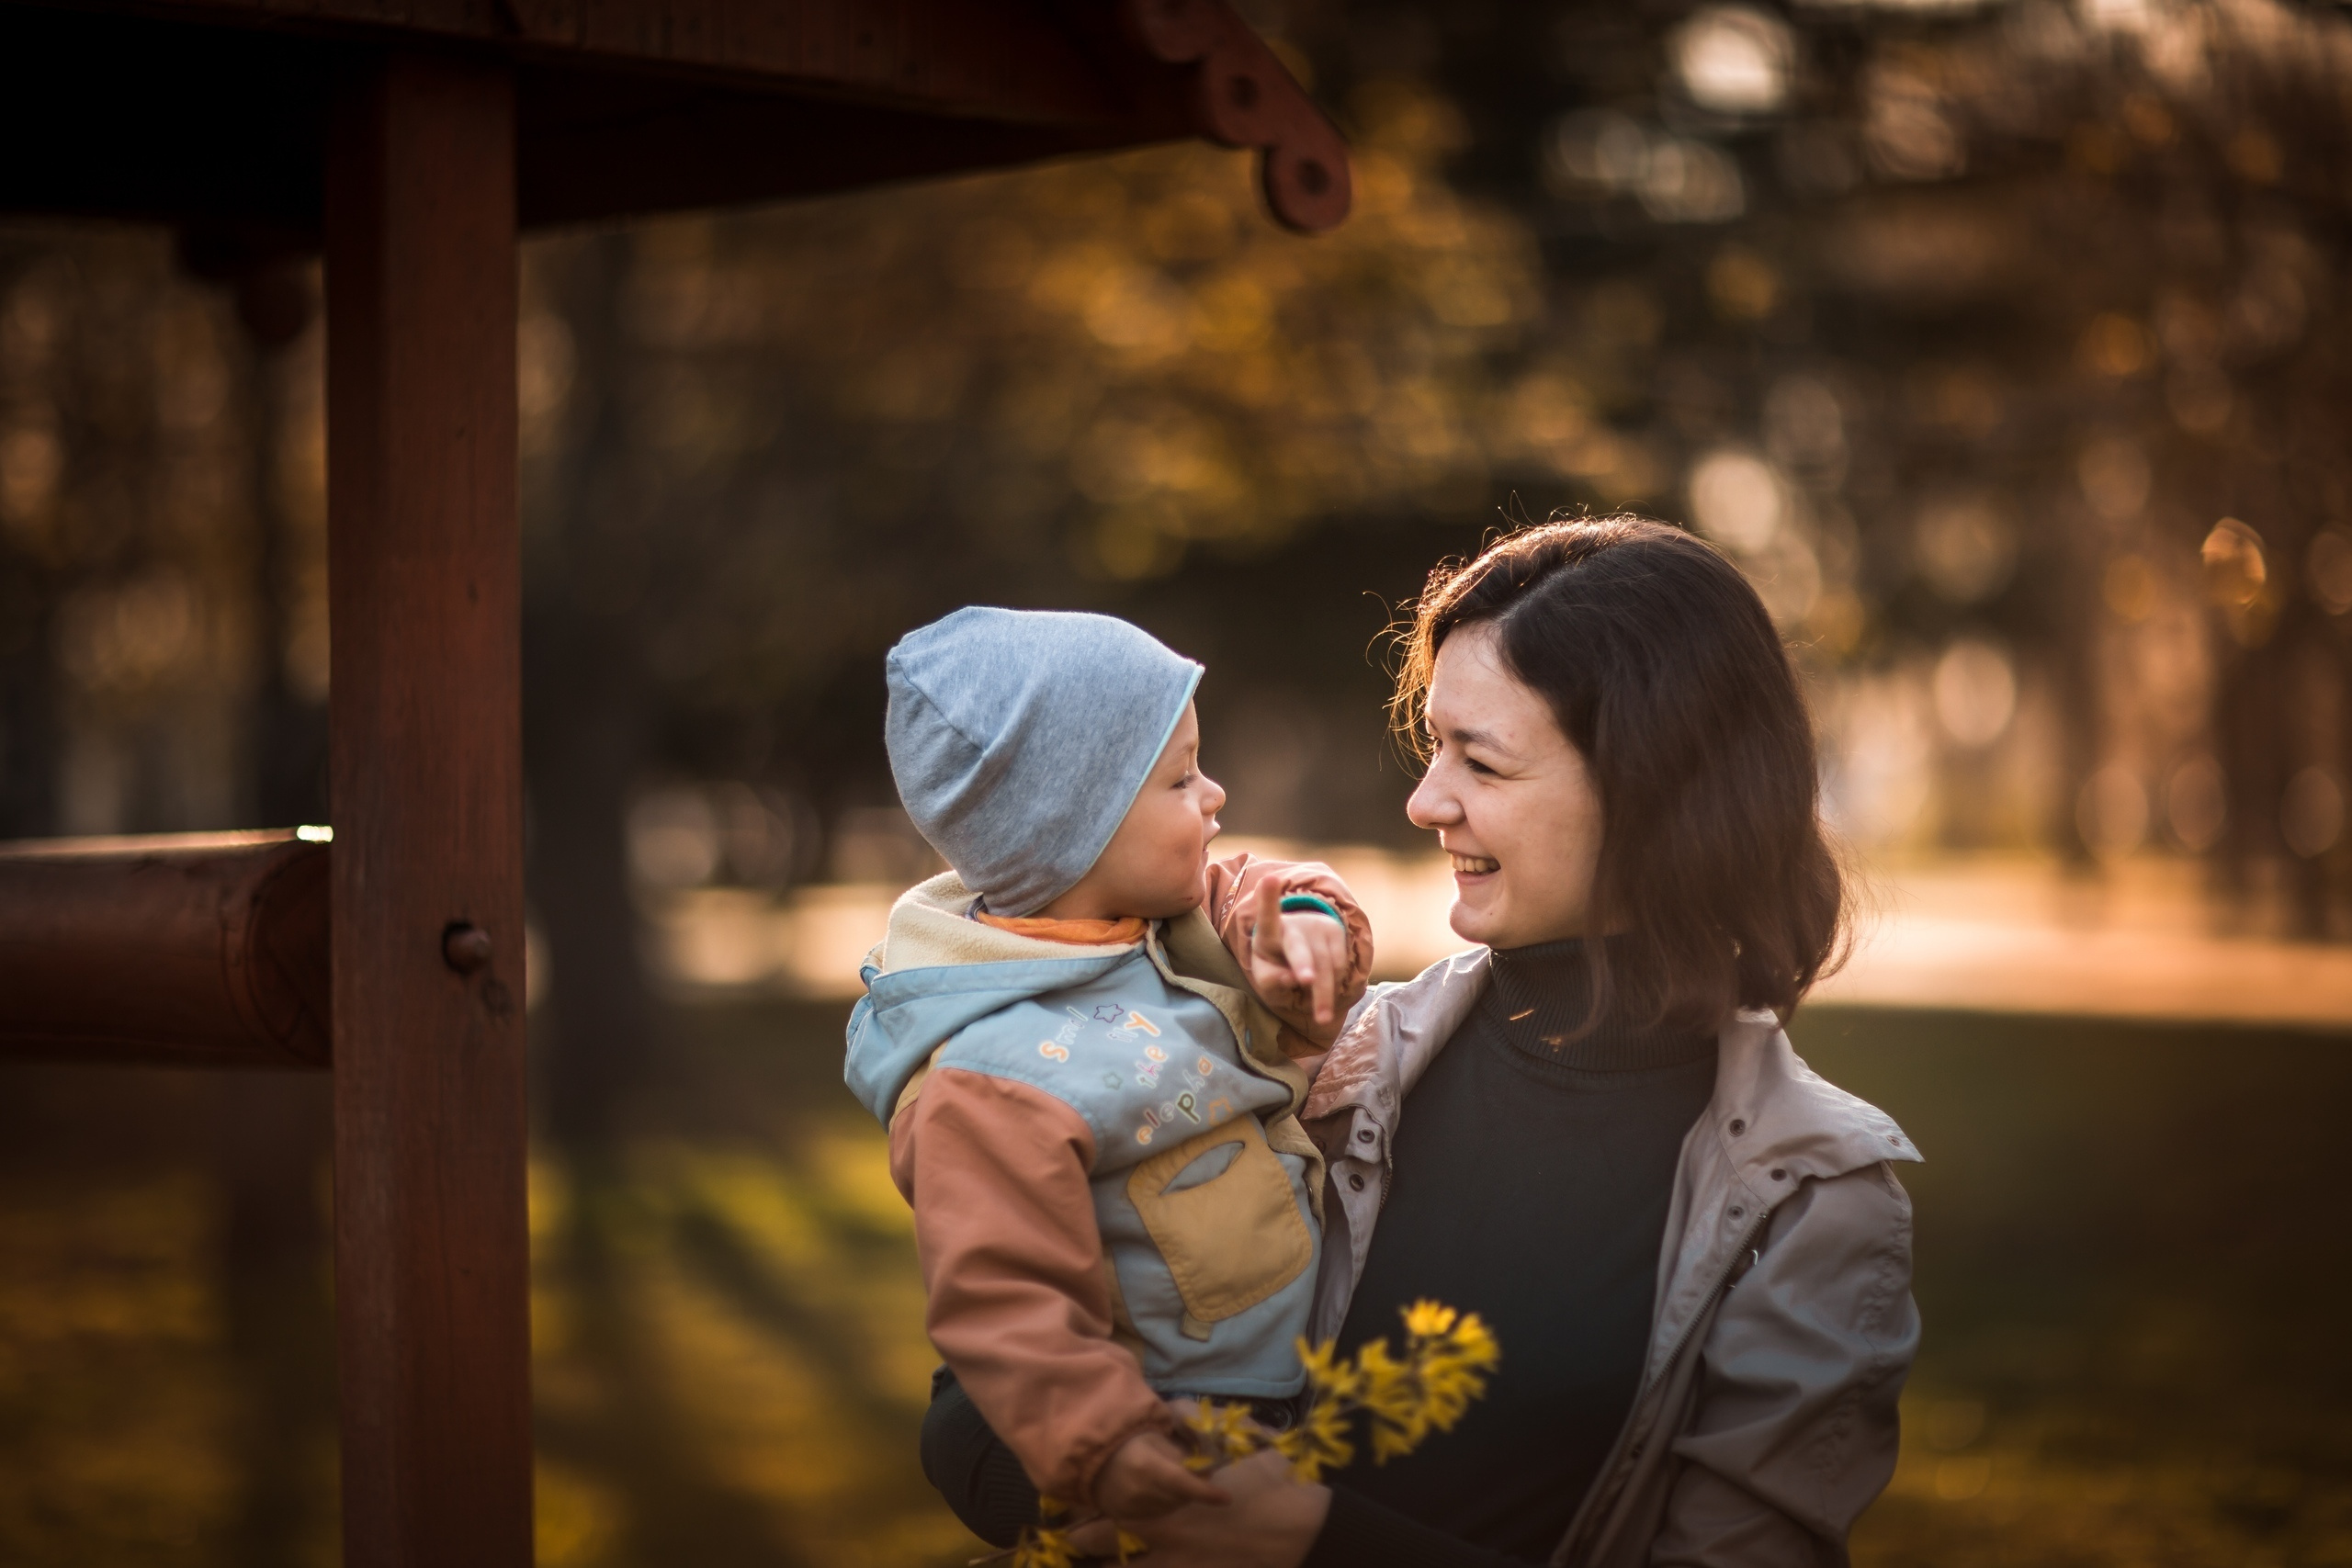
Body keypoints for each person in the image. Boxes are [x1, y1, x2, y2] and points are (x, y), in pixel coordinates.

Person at [1120, 518, 1923, 1568]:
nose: (1423, 800)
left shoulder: (1815, 1202)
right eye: (1432, 746)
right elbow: (1002, 1386)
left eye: (1481, 764)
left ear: (1655, 794)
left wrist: (1318, 1543)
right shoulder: (1339, 1066)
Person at [842, 606, 1377, 1545]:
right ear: (1073, 829)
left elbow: (1262, 889)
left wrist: (1305, 924)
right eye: (1180, 778)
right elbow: (1007, 1301)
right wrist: (1109, 1445)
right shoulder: (990, 1077)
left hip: (1297, 1386)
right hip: (1177, 1420)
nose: (1214, 796)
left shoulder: (1165, 919)